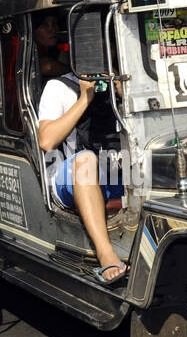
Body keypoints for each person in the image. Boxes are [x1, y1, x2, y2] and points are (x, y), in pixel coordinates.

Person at [37, 72, 127, 284]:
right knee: (85, 160)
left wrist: (125, 95)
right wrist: (85, 98)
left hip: (118, 170)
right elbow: (46, 141)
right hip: (70, 177)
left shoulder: (127, 77)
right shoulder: (59, 86)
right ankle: (105, 254)